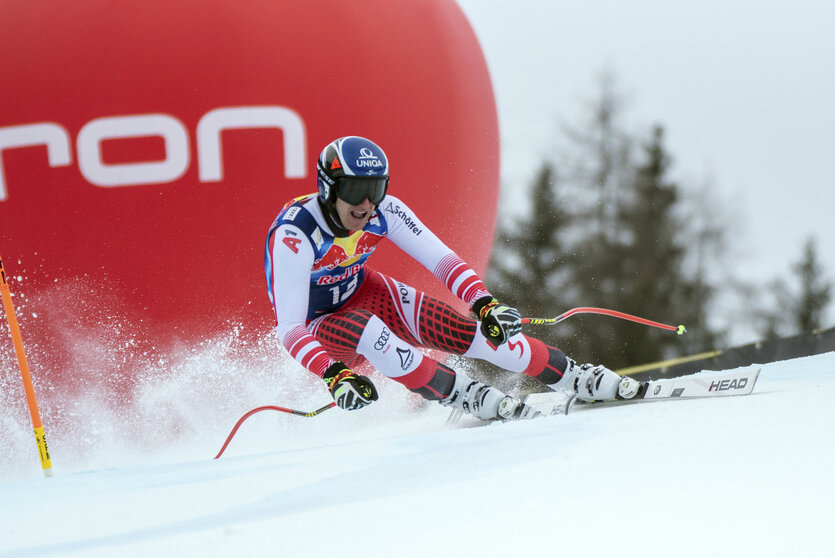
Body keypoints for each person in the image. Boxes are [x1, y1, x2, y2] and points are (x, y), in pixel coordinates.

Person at [265, 136, 642, 421]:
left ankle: (573, 376)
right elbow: (290, 329)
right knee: (370, 331)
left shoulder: (385, 210)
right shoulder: (295, 234)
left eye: (376, 189)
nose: (366, 204)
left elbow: (442, 260)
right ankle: (462, 393)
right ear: (328, 188)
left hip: (363, 291)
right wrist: (334, 375)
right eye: (355, 191)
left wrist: (484, 303)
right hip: (321, 331)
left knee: (470, 331)